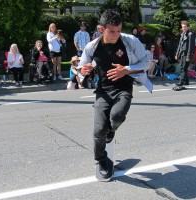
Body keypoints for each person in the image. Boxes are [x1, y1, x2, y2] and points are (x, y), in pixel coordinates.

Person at [78, 9, 149, 180]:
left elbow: (146, 62)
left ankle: (112, 131)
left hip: (124, 89)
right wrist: (84, 70)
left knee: (116, 117)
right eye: (112, 31)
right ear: (101, 29)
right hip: (103, 90)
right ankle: (102, 161)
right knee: (98, 130)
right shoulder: (92, 46)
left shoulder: (130, 41)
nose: (116, 35)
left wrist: (126, 70)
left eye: (119, 30)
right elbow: (82, 67)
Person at [173, 21, 195, 90]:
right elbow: (180, 45)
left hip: (187, 53)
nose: (183, 28)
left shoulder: (191, 34)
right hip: (182, 53)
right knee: (183, 67)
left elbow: (191, 47)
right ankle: (186, 81)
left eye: (185, 27)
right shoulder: (183, 34)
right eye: (182, 27)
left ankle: (181, 82)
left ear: (188, 27)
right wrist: (177, 54)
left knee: (183, 68)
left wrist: (188, 56)